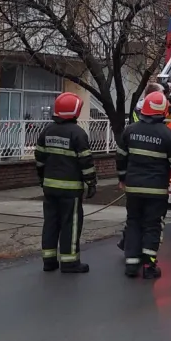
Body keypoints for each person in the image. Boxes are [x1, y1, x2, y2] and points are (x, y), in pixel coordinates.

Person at [116, 91, 171, 279]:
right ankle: (149, 266)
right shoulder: (169, 136)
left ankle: (131, 264)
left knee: (133, 222)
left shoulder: (130, 130)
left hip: (133, 188)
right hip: (156, 191)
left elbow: (121, 158)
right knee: (152, 225)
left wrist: (122, 178)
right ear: (164, 111)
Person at [35, 92, 97, 274]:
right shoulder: (78, 134)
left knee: (50, 223)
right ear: (75, 111)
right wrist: (91, 183)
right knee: (70, 224)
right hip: (70, 190)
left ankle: (49, 261)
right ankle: (70, 263)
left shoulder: (46, 131)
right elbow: (86, 162)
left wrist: (42, 179)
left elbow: (39, 159)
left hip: (50, 188)